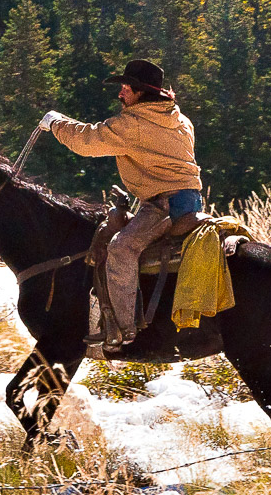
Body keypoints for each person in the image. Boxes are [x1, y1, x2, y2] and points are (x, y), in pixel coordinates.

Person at [40, 59, 203, 350]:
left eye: (126, 88)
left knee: (121, 248)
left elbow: (87, 141)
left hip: (163, 205)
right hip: (190, 201)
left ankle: (122, 331)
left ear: (141, 92)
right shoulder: (179, 118)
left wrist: (56, 123)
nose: (121, 94)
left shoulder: (134, 124)